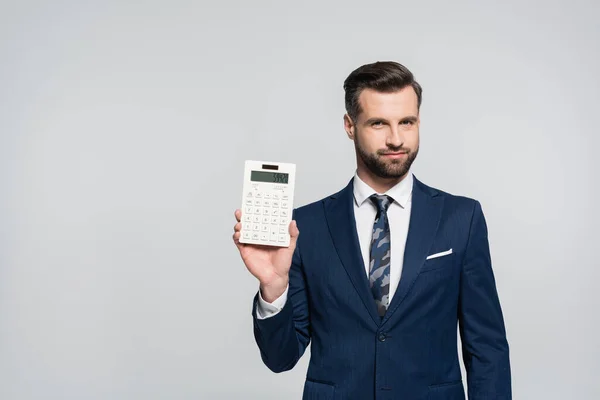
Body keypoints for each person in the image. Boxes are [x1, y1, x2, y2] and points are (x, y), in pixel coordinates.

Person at [232, 61, 511, 400]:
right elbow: (280, 358)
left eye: (406, 122)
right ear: (350, 126)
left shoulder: (461, 218)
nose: (396, 139)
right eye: (378, 123)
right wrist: (274, 289)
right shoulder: (306, 227)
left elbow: (487, 350)